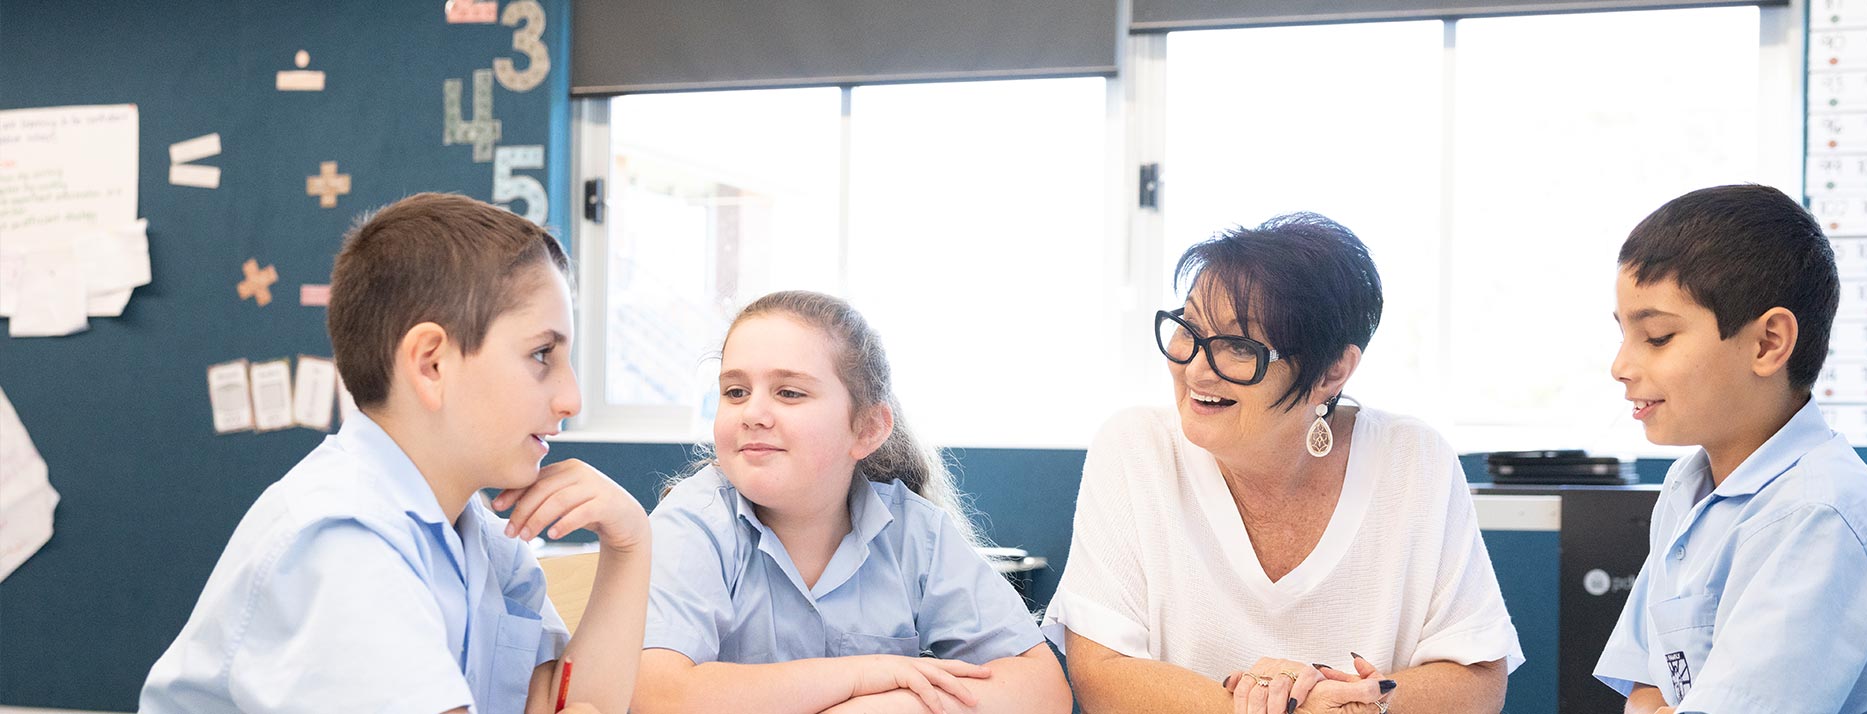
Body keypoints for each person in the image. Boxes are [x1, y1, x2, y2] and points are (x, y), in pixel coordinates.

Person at [140, 193, 651, 714]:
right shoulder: (340, 541)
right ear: (431, 364)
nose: (572, 398)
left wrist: (630, 544)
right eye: (542, 355)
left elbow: (556, 703)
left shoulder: (485, 540)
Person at [1046, 213, 1521, 714]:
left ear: (1333, 370)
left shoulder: (1414, 459)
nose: (1196, 367)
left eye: (1237, 346)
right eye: (1188, 328)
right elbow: (1101, 672)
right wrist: (1283, 709)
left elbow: (1476, 679)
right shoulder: (1135, 447)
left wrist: (1356, 706)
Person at [635, 290, 1071, 714]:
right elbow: (661, 696)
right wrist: (864, 674)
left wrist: (898, 704)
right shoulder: (692, 523)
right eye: (735, 392)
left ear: (866, 429)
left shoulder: (917, 534)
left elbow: (1042, 689)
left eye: (789, 392)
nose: (752, 413)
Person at [1595, 184, 1867, 714]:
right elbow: (1645, 680)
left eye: (1655, 337)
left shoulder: (1824, 511)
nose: (1621, 367)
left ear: (1769, 343)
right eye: (1623, 335)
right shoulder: (1688, 484)